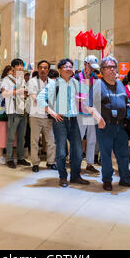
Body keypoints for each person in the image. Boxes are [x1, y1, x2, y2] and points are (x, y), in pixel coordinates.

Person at [87, 56, 130, 191]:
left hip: (121, 126)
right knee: (105, 155)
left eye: (114, 67)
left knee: (123, 154)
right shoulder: (98, 85)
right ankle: (107, 180)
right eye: (108, 67)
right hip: (106, 126)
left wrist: (129, 127)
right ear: (102, 70)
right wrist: (99, 119)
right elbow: (88, 105)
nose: (112, 70)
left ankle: (125, 178)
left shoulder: (120, 85)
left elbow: (126, 103)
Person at [37, 58, 90, 187]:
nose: (69, 69)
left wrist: (87, 76)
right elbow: (40, 98)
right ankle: (63, 177)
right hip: (60, 121)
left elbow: (87, 90)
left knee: (77, 151)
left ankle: (76, 176)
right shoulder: (53, 84)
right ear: (60, 69)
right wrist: (52, 112)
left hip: (73, 119)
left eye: (71, 66)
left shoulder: (75, 83)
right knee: (61, 151)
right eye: (66, 66)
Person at [28, 60, 57, 172]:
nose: (43, 70)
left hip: (48, 116)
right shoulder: (32, 81)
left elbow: (54, 99)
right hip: (35, 115)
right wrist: (47, 102)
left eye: (45, 68)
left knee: (51, 140)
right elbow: (34, 98)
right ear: (38, 69)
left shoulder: (52, 83)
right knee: (34, 140)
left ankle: (51, 162)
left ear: (48, 70)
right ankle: (35, 163)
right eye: (40, 67)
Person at [1, 58, 30, 168]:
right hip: (12, 111)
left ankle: (21, 157)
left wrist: (26, 93)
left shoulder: (21, 79)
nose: (21, 67)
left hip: (22, 110)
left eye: (22, 65)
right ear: (13, 67)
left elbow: (25, 91)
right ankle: (9, 158)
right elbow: (4, 94)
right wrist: (18, 91)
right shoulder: (7, 79)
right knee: (11, 136)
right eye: (18, 65)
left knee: (22, 136)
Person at [74, 55, 100, 174]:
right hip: (80, 112)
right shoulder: (76, 77)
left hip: (91, 113)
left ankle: (90, 163)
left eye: (94, 68)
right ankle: (75, 161)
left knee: (91, 138)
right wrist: (78, 98)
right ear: (85, 64)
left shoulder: (95, 77)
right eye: (91, 67)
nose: (92, 70)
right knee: (78, 138)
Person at [0, 65, 13, 165]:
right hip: (3, 111)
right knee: (2, 133)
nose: (12, 74)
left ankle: (10, 154)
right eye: (10, 72)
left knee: (12, 134)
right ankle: (1, 155)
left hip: (13, 111)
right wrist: (0, 111)